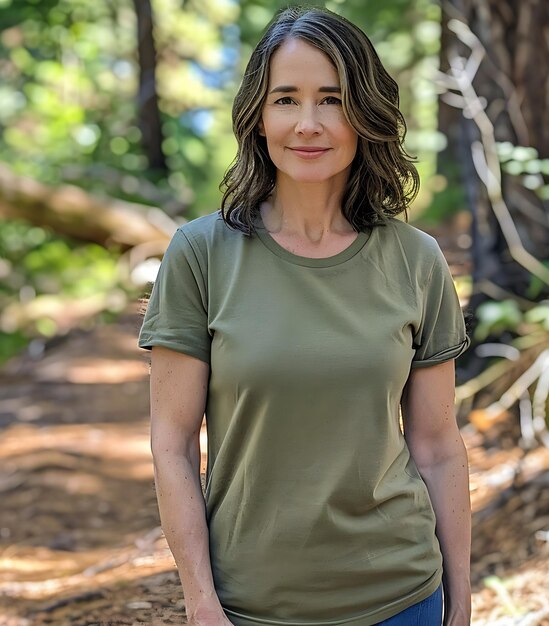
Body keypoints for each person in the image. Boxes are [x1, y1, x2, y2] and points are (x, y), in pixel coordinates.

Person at [138, 6, 471, 626]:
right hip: (251, 607)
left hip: (400, 599)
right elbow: (173, 444)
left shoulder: (416, 259)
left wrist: (461, 602)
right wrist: (201, 602)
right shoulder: (201, 254)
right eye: (286, 99)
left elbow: (437, 446)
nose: (309, 124)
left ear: (365, 113)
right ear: (258, 117)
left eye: (333, 99)